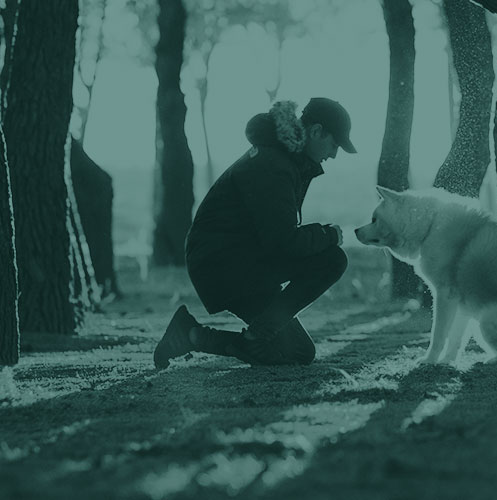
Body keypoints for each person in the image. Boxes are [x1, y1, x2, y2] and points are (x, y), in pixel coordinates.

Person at [153, 97, 357, 369]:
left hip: (240, 260)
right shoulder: (274, 164)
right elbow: (284, 242)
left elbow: (278, 236)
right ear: (317, 131)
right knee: (332, 259)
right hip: (224, 264)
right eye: (334, 144)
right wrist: (328, 235)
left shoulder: (286, 159)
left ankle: (191, 334)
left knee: (298, 353)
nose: (333, 154)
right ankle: (255, 336)